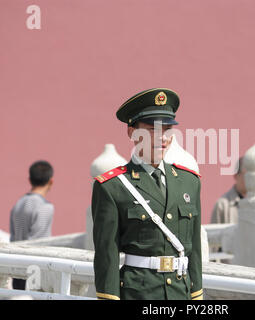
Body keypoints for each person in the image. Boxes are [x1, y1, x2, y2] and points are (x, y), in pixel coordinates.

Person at [91, 88, 203, 300]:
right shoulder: (112, 187)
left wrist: (196, 296)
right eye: (152, 129)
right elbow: (107, 256)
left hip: (181, 293)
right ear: (132, 132)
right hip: (139, 292)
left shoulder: (189, 181)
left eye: (168, 129)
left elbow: (194, 248)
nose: (163, 138)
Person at [9, 160, 55, 290]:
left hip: (17, 266)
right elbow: (38, 242)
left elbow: (13, 237)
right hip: (34, 270)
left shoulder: (18, 204)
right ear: (51, 181)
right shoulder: (45, 207)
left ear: (30, 180)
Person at [210, 157, 246, 224]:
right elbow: (214, 233)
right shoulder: (222, 205)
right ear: (236, 176)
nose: (250, 179)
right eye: (246, 174)